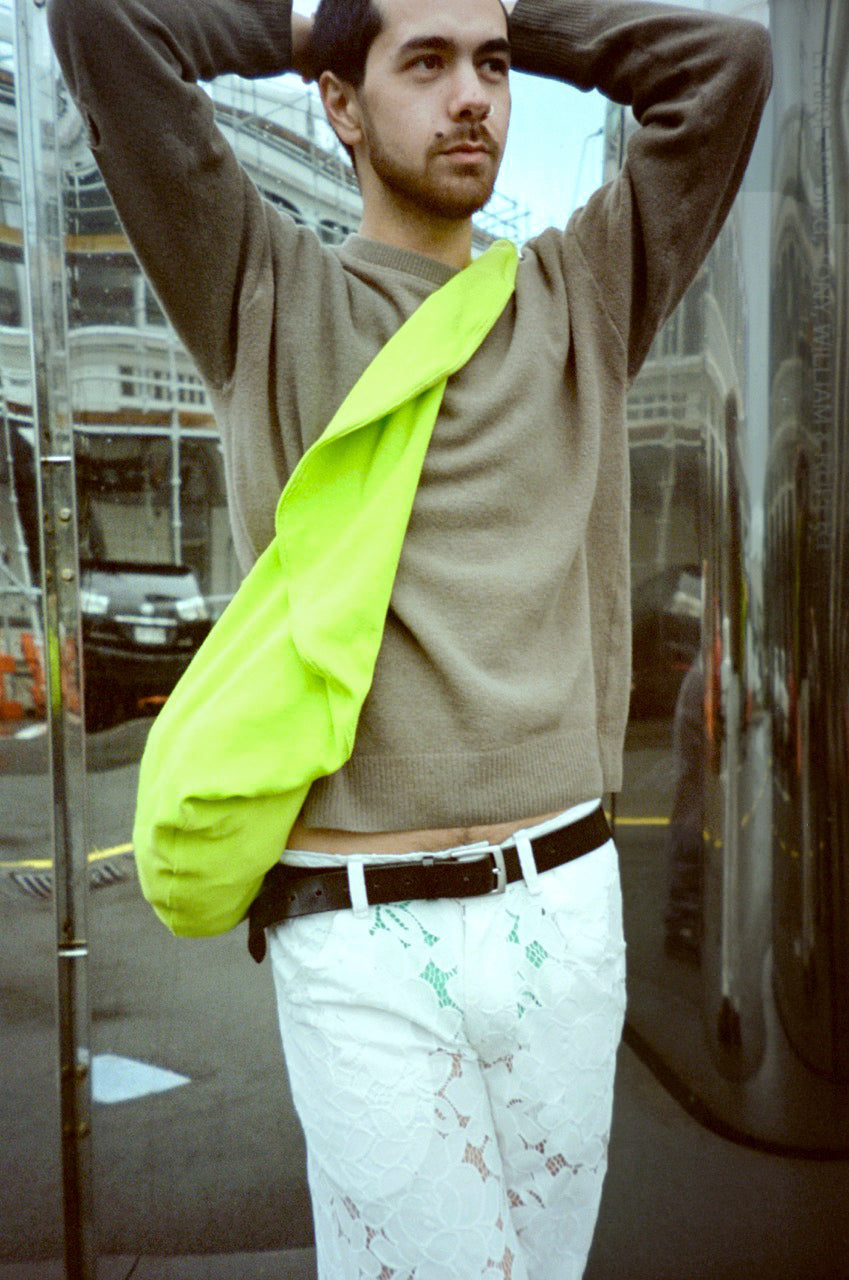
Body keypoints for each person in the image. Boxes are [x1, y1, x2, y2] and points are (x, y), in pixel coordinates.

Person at [47, 0, 772, 1275]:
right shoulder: (264, 289)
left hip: (564, 910)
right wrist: (314, 16)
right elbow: (101, 25)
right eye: (423, 64)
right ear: (338, 100)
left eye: (490, 67)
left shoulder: (579, 293)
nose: (473, 97)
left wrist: (507, 12)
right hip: (364, 934)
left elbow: (729, 68)